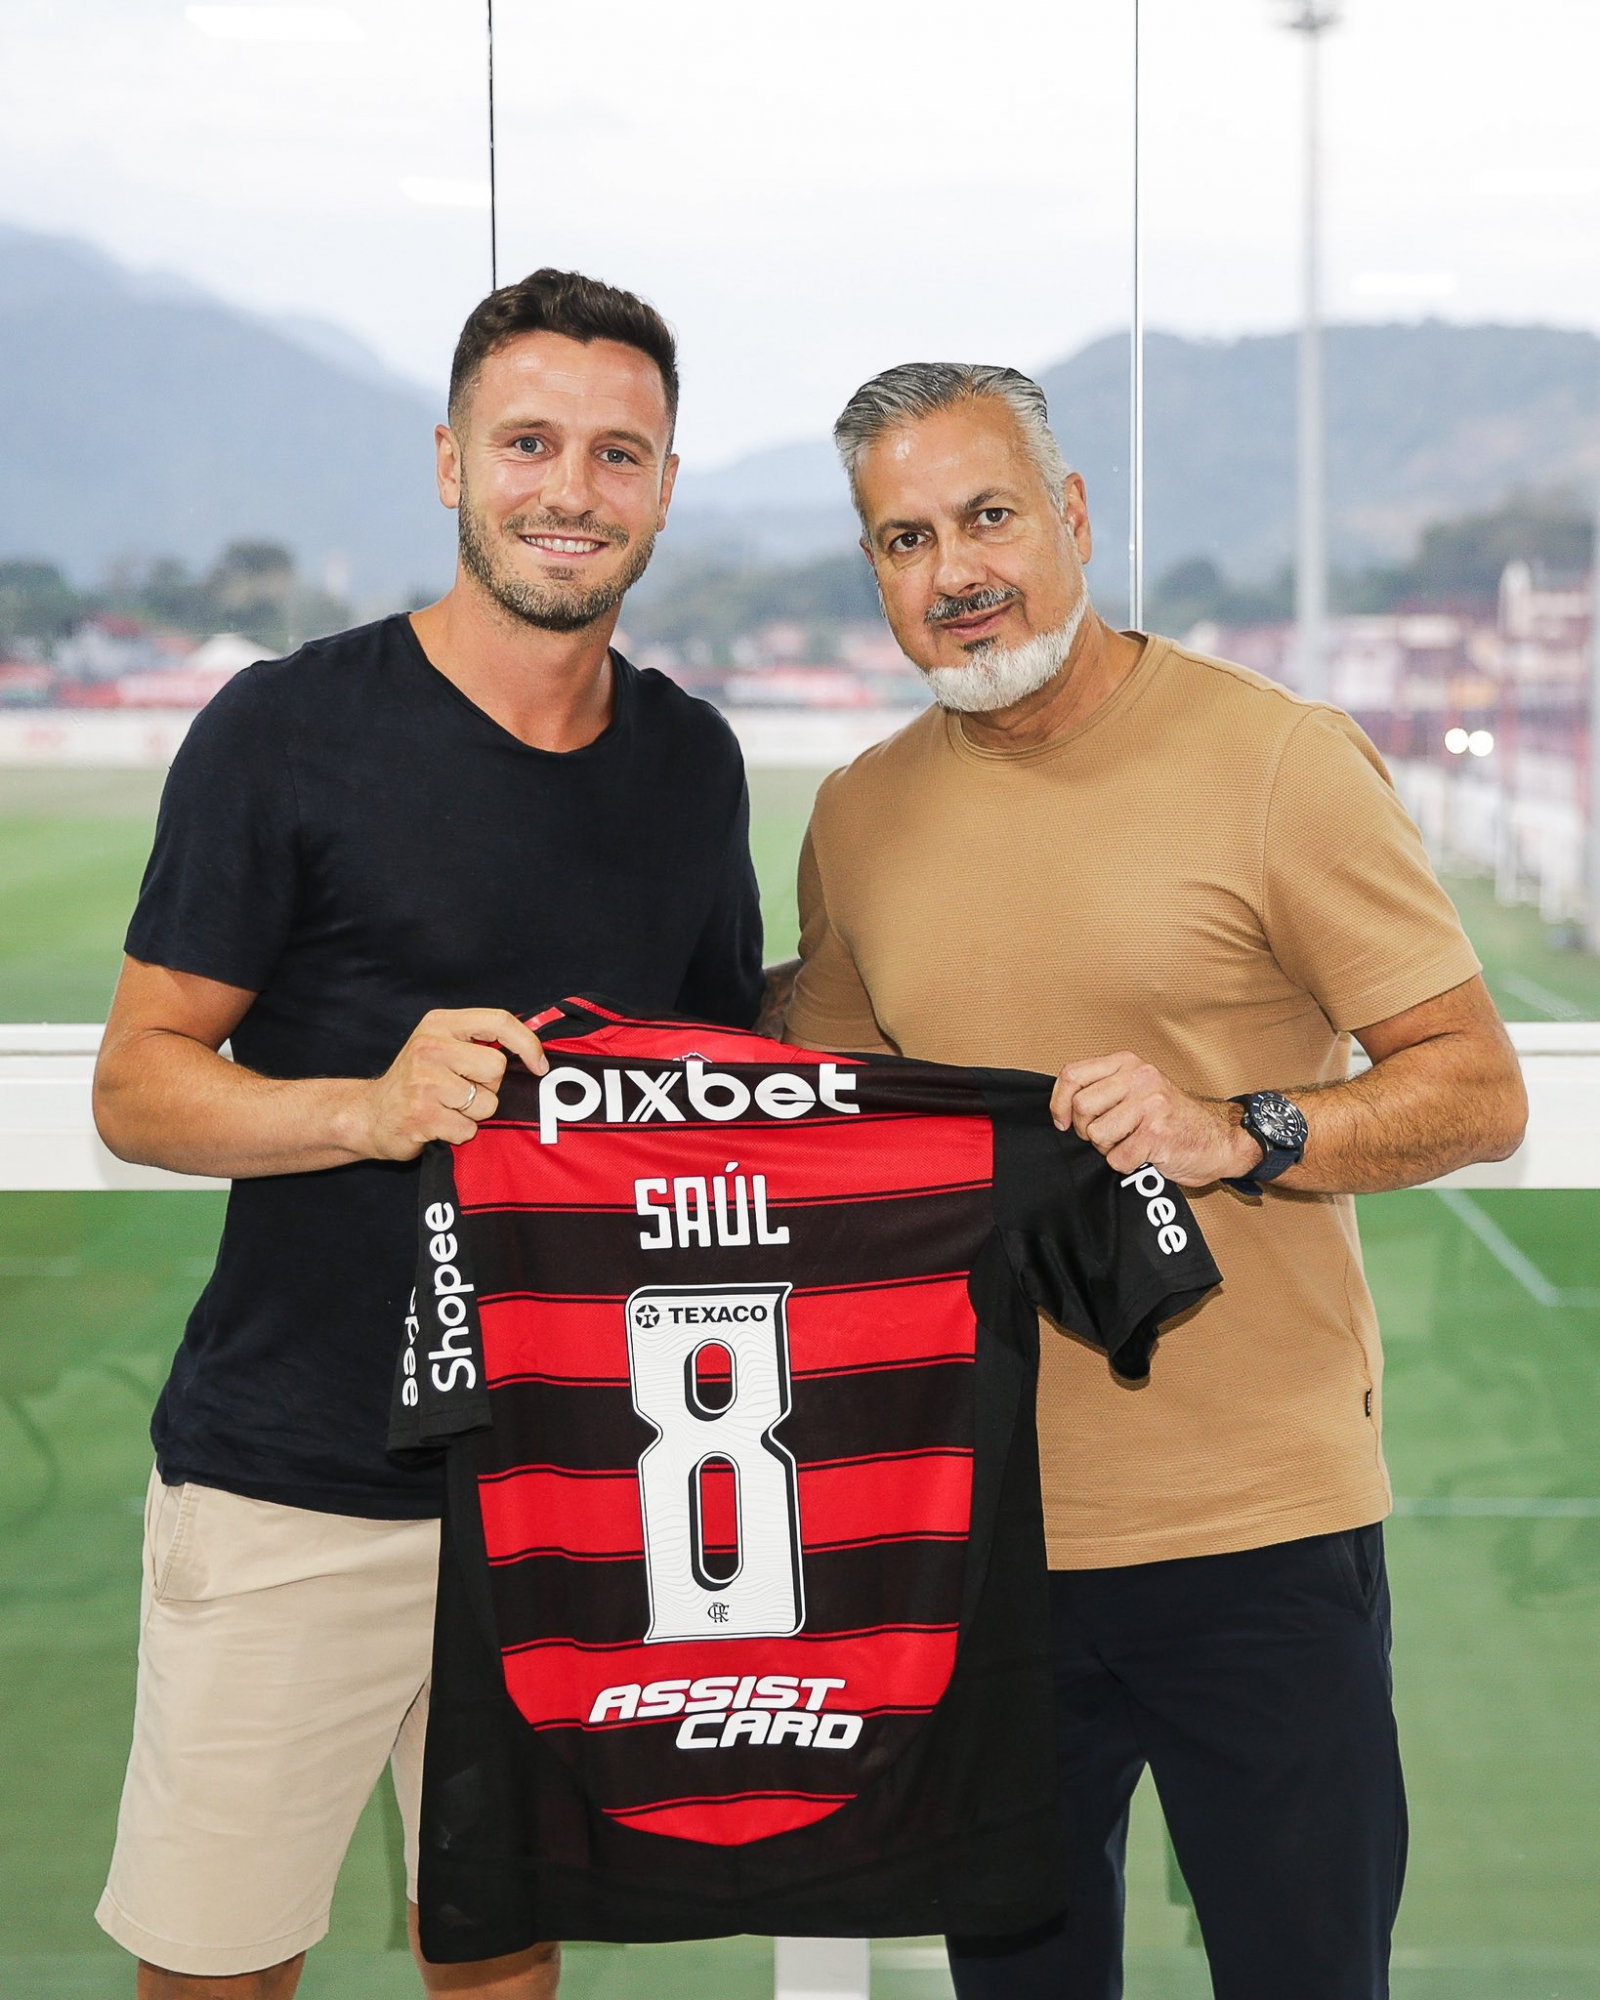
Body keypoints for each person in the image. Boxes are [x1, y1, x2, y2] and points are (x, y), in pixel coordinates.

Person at [778, 361, 1529, 2000]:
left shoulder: (1275, 760)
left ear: (1073, 516)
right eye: (904, 540)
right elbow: (814, 1113)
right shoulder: (858, 817)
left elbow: (1475, 1090)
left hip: (1258, 1536)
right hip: (985, 1544)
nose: (956, 570)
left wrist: (1240, 1129)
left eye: (987, 515)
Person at [91, 268, 766, 2000]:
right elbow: (139, 1082)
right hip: (292, 1481)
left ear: (667, 487)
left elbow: (705, 1085)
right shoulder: (286, 730)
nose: (572, 487)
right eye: (529, 441)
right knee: (220, 1969)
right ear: (452, 465)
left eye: (619, 454)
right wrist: (372, 1108)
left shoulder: (693, 764)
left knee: (496, 1960)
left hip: (566, 1487)